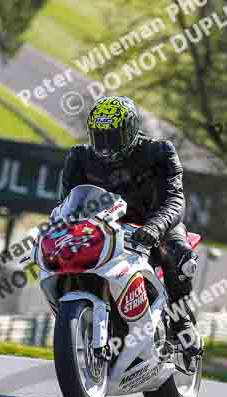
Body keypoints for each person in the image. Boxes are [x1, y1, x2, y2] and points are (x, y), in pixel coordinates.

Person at [58, 95, 203, 373]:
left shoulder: (159, 152)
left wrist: (154, 227)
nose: (105, 146)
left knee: (180, 255)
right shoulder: (79, 157)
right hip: (104, 227)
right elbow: (65, 205)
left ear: (131, 130)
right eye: (99, 137)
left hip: (155, 224)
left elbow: (175, 200)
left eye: (113, 137)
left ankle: (182, 321)